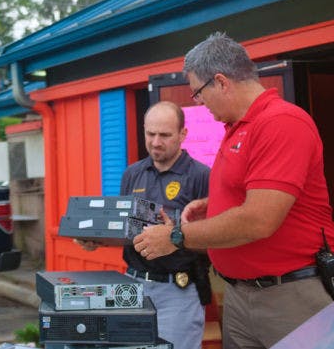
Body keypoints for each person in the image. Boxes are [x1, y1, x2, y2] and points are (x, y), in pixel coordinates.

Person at [134, 32, 334, 349]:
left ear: (222, 82)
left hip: (288, 295)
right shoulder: (237, 128)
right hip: (243, 294)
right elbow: (256, 192)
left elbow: (259, 220)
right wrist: (212, 204)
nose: (198, 102)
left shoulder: (281, 122)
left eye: (198, 93)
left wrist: (176, 236)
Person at [76, 101, 210, 349]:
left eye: (165, 135)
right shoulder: (132, 174)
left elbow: (214, 241)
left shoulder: (202, 176)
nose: (156, 142)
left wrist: (176, 238)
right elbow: (127, 230)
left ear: (183, 134)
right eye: (150, 134)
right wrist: (97, 239)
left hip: (178, 293)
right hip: (132, 288)